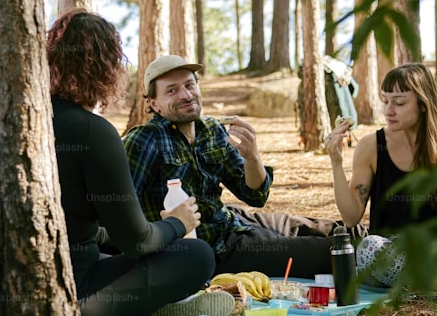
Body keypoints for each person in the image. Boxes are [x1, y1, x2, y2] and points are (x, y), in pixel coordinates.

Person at [0, 12, 231, 316]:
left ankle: (149, 302)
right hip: (51, 307)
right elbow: (138, 242)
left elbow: (66, 222)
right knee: (197, 255)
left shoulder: (13, 119)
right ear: (108, 67)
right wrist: (178, 222)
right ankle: (156, 305)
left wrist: (114, 235)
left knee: (105, 251)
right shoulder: (93, 132)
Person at [123, 55, 339, 279]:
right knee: (327, 252)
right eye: (172, 91)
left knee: (327, 228)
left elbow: (255, 195)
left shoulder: (211, 129)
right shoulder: (144, 141)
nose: (186, 95)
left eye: (189, 85)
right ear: (153, 103)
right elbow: (119, 214)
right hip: (215, 249)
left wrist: (252, 157)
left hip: (232, 220)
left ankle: (364, 237)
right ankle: (360, 254)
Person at [326, 63, 437, 287]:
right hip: (389, 254)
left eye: (400, 102)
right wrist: (336, 163)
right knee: (369, 248)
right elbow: (351, 217)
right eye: (385, 100)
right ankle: (429, 281)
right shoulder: (371, 146)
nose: (388, 110)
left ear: (423, 104)